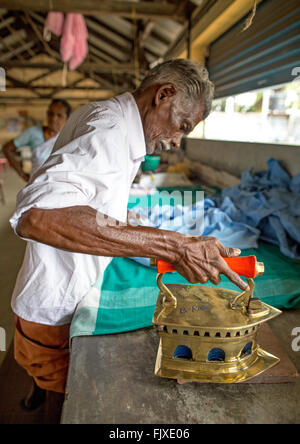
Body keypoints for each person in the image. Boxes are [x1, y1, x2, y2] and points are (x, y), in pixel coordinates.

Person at [9, 59, 249, 423]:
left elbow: (83, 197)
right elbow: (37, 216)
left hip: (53, 296)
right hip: (54, 303)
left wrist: (126, 223)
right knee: (61, 402)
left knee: (50, 383)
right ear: (163, 95)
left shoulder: (113, 121)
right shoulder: (110, 129)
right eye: (181, 127)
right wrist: (173, 246)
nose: (175, 141)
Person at [3, 99, 71, 182]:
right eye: (51, 114)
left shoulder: (68, 138)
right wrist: (22, 174)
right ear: (47, 114)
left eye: (59, 115)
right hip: (36, 184)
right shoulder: (33, 132)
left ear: (66, 119)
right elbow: (7, 148)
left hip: (58, 186)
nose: (54, 118)